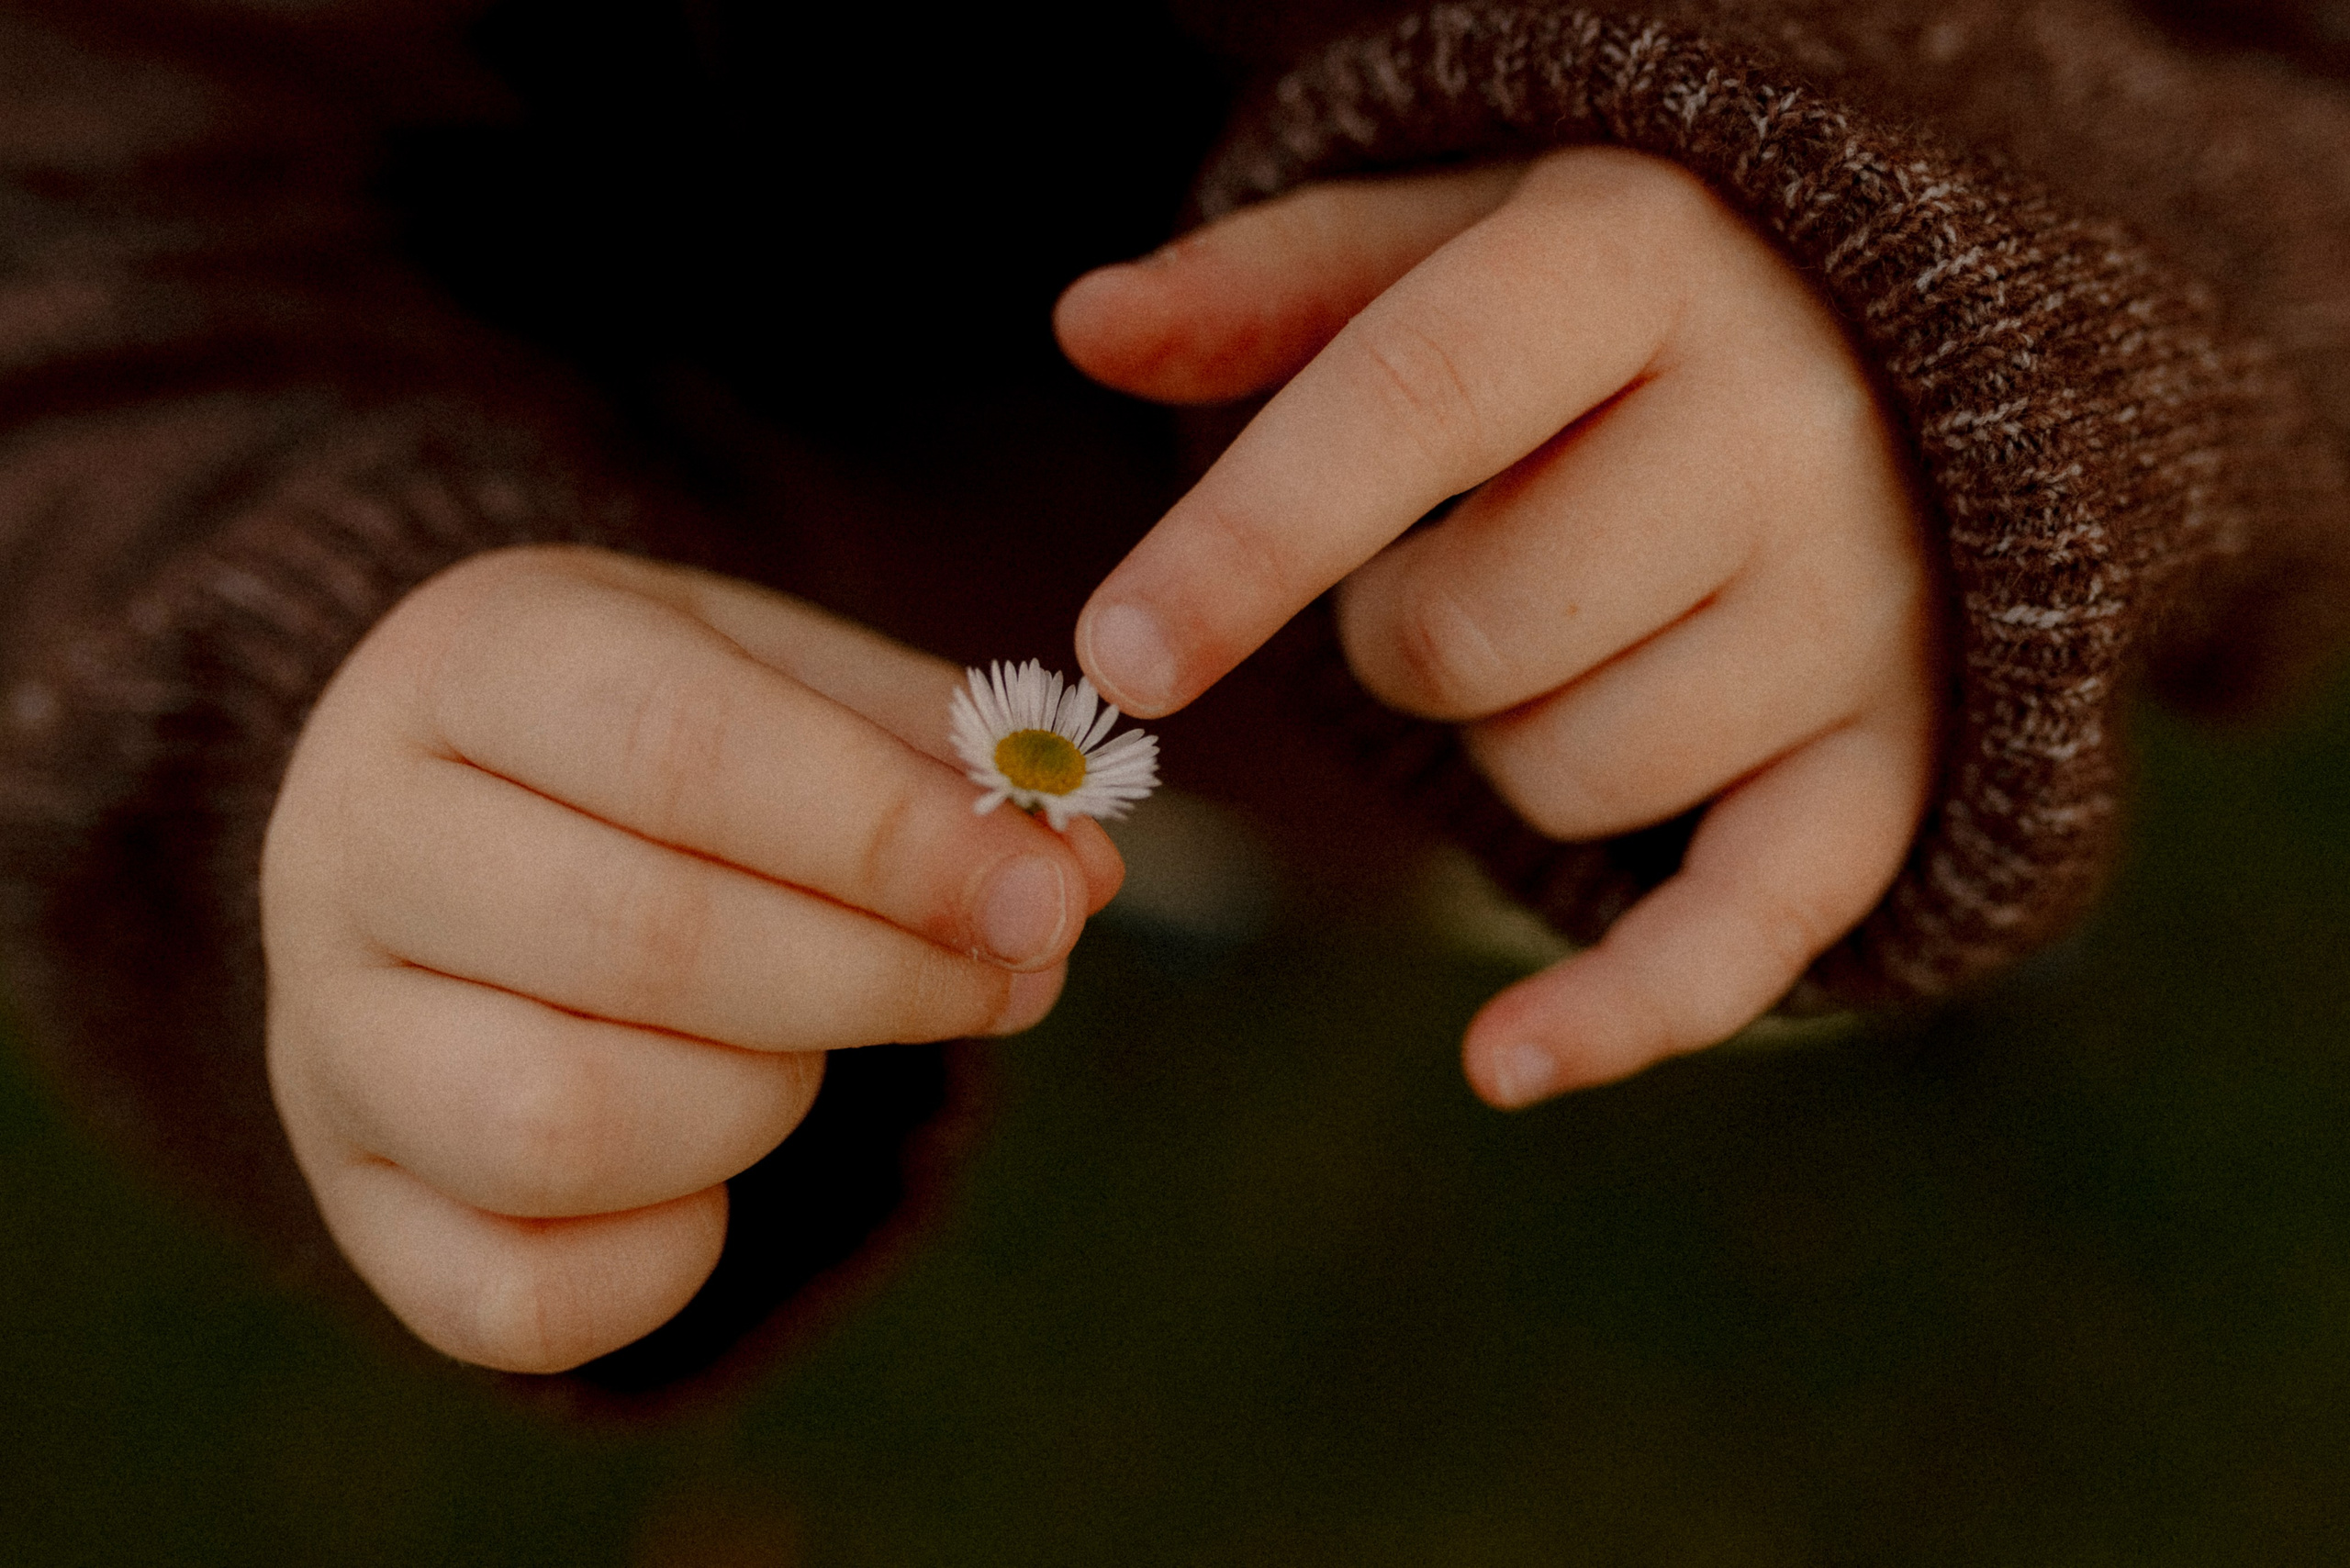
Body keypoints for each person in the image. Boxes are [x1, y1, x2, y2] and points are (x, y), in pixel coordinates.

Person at [3, 0, 2346, 1398]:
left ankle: (1684, 880)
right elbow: (90, 255)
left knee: (1672, 803)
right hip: (894, 583)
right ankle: (1264, 870)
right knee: (1103, 809)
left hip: (1764, 618)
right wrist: (303, 682)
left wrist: (1965, 319)